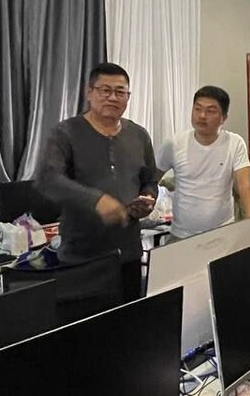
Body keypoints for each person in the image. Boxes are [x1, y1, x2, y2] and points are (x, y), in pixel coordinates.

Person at [36, 63, 158, 303]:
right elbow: (48, 179)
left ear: (128, 97)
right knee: (86, 324)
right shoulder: (66, 133)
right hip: (82, 257)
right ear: (89, 92)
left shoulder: (139, 135)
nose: (113, 98)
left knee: (130, 319)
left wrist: (149, 199)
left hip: (128, 254)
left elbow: (150, 179)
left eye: (120, 92)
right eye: (105, 90)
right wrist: (96, 200)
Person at [156, 85, 250, 239]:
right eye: (198, 109)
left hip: (222, 232)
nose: (202, 115)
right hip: (182, 235)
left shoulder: (234, 143)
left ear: (224, 117)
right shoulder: (174, 143)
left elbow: (244, 186)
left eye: (210, 111)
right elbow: (153, 178)